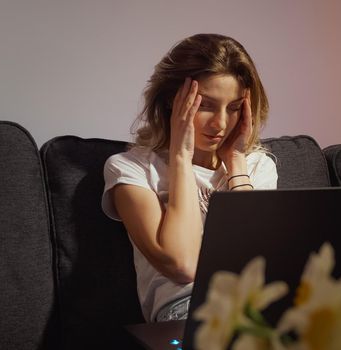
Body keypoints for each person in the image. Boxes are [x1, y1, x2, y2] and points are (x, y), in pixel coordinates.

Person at [101, 33, 278, 322]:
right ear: (174, 100)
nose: (220, 124)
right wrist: (180, 157)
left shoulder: (257, 166)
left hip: (257, 307)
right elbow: (183, 266)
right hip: (186, 312)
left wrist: (235, 162)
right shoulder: (130, 170)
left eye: (234, 108)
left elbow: (255, 260)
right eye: (206, 105)